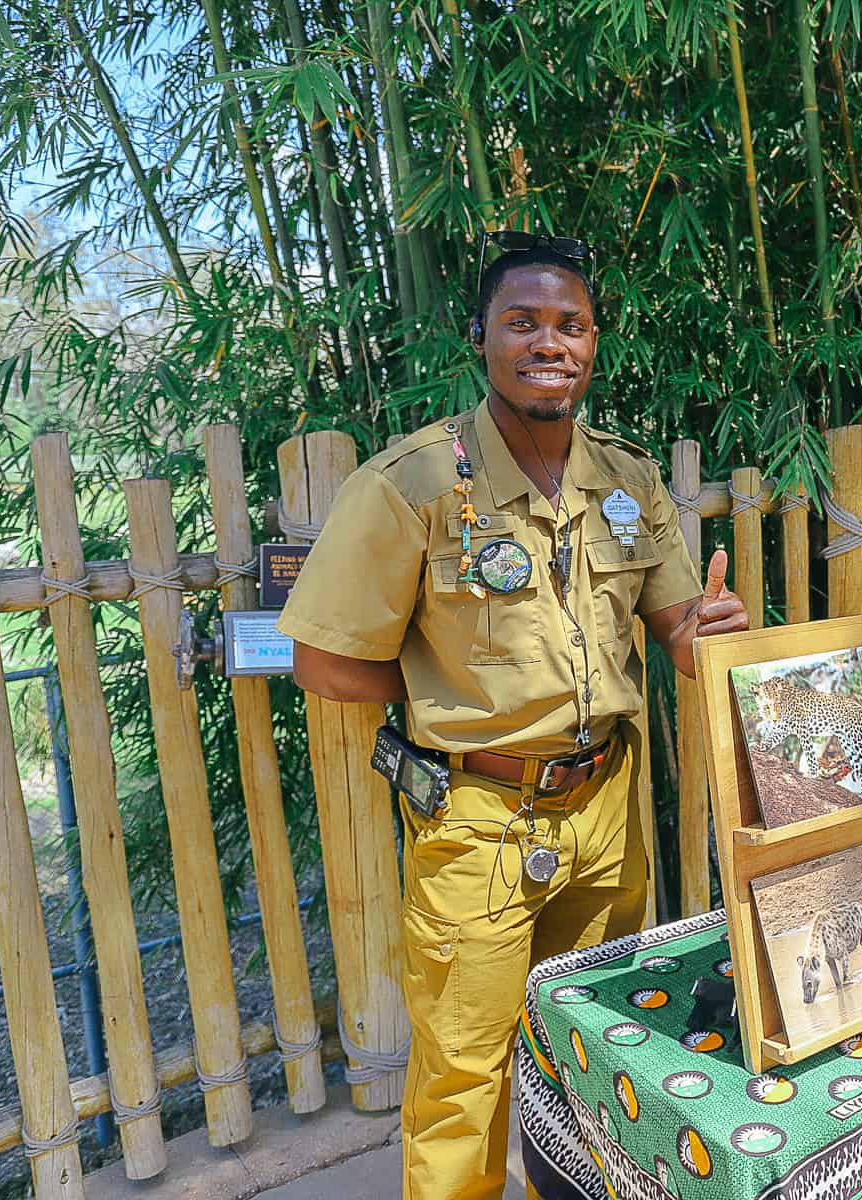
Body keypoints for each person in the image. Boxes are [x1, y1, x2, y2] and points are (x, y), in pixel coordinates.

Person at [278, 233, 747, 1200]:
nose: (550, 342)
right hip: (477, 823)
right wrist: (455, 700)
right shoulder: (411, 485)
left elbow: (677, 636)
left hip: (606, 815)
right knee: (465, 1080)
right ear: (482, 339)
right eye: (523, 322)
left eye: (570, 325)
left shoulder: (628, 478)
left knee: (593, 1050)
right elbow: (323, 662)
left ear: (594, 342)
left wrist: (711, 629)